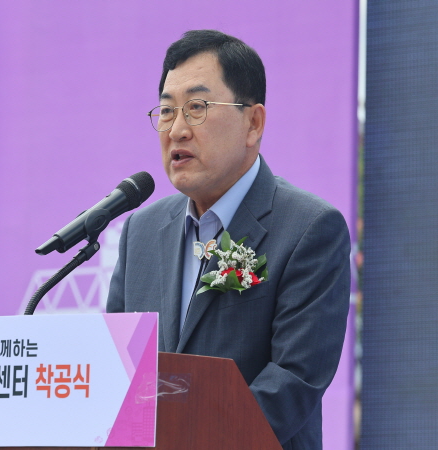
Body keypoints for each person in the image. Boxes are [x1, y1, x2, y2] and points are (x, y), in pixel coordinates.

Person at [106, 29, 350, 449]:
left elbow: (291, 382)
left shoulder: (309, 228)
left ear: (253, 123)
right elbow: (116, 370)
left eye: (196, 108)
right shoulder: (140, 231)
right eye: (166, 111)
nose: (177, 130)